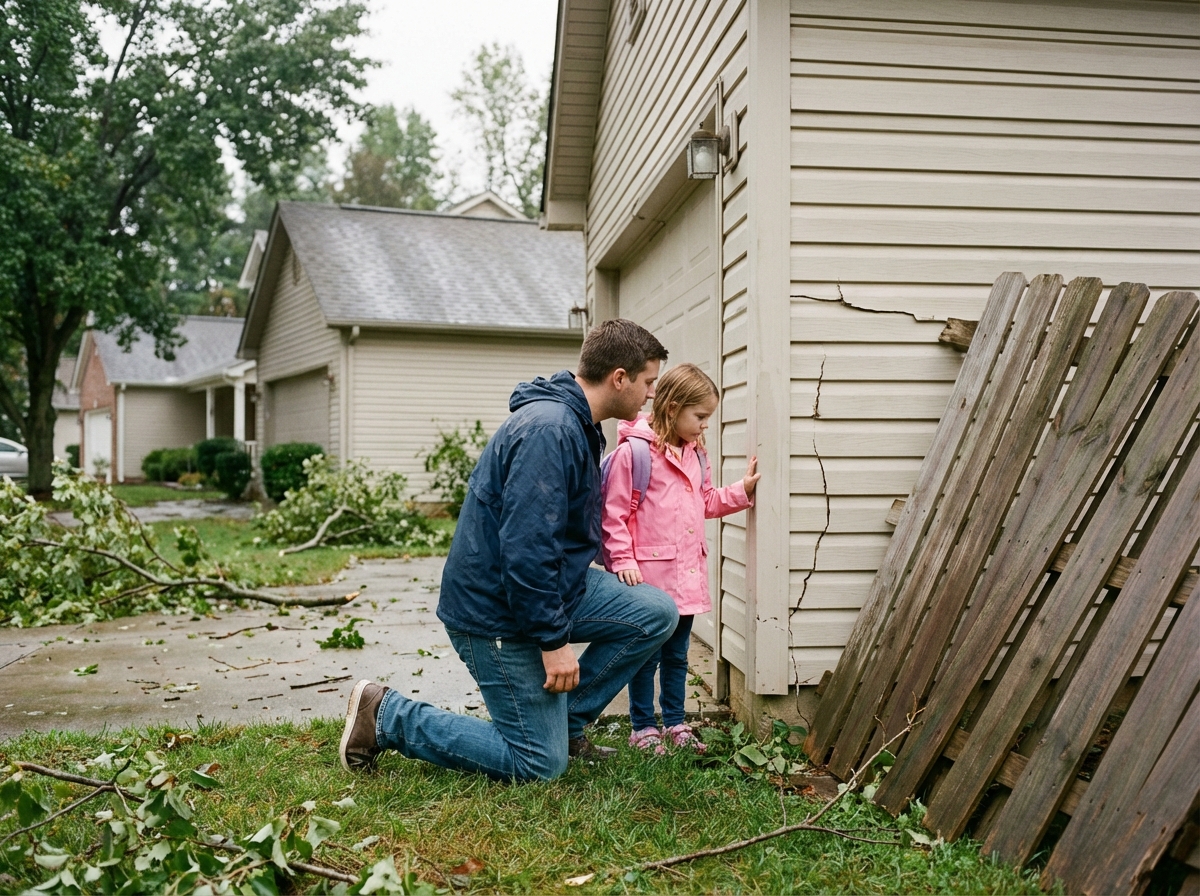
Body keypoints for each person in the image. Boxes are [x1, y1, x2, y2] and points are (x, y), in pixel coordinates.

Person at [339, 319, 678, 781]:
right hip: (497, 610)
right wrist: (553, 642)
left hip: (552, 589)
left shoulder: (578, 422)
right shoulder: (550, 430)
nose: (651, 395)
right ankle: (386, 715)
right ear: (619, 378)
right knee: (539, 765)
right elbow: (525, 551)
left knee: (654, 612)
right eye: (648, 383)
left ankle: (563, 724)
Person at [600, 363, 759, 753]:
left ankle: (674, 722)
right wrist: (623, 561)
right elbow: (614, 514)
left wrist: (741, 491)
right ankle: (642, 726)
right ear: (672, 408)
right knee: (645, 655)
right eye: (700, 417)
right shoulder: (634, 454)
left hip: (685, 577)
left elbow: (704, 501)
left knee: (677, 656)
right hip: (648, 581)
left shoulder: (695, 455)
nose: (705, 425)